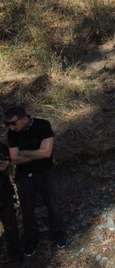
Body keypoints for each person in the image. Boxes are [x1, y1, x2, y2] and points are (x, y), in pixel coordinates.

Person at [4, 106, 66, 257]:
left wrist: (24, 152)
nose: (11, 127)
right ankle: (31, 240)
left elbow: (47, 153)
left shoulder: (43, 125)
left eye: (13, 123)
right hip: (24, 175)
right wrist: (37, 152)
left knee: (52, 203)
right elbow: (15, 158)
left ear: (24, 119)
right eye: (7, 124)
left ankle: (58, 233)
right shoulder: (12, 134)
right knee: (27, 210)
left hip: (45, 172)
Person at [0, 142, 21, 264]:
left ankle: (16, 256)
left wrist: (6, 167)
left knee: (11, 228)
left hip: (5, 195)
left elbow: (9, 171)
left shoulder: (2, 147)